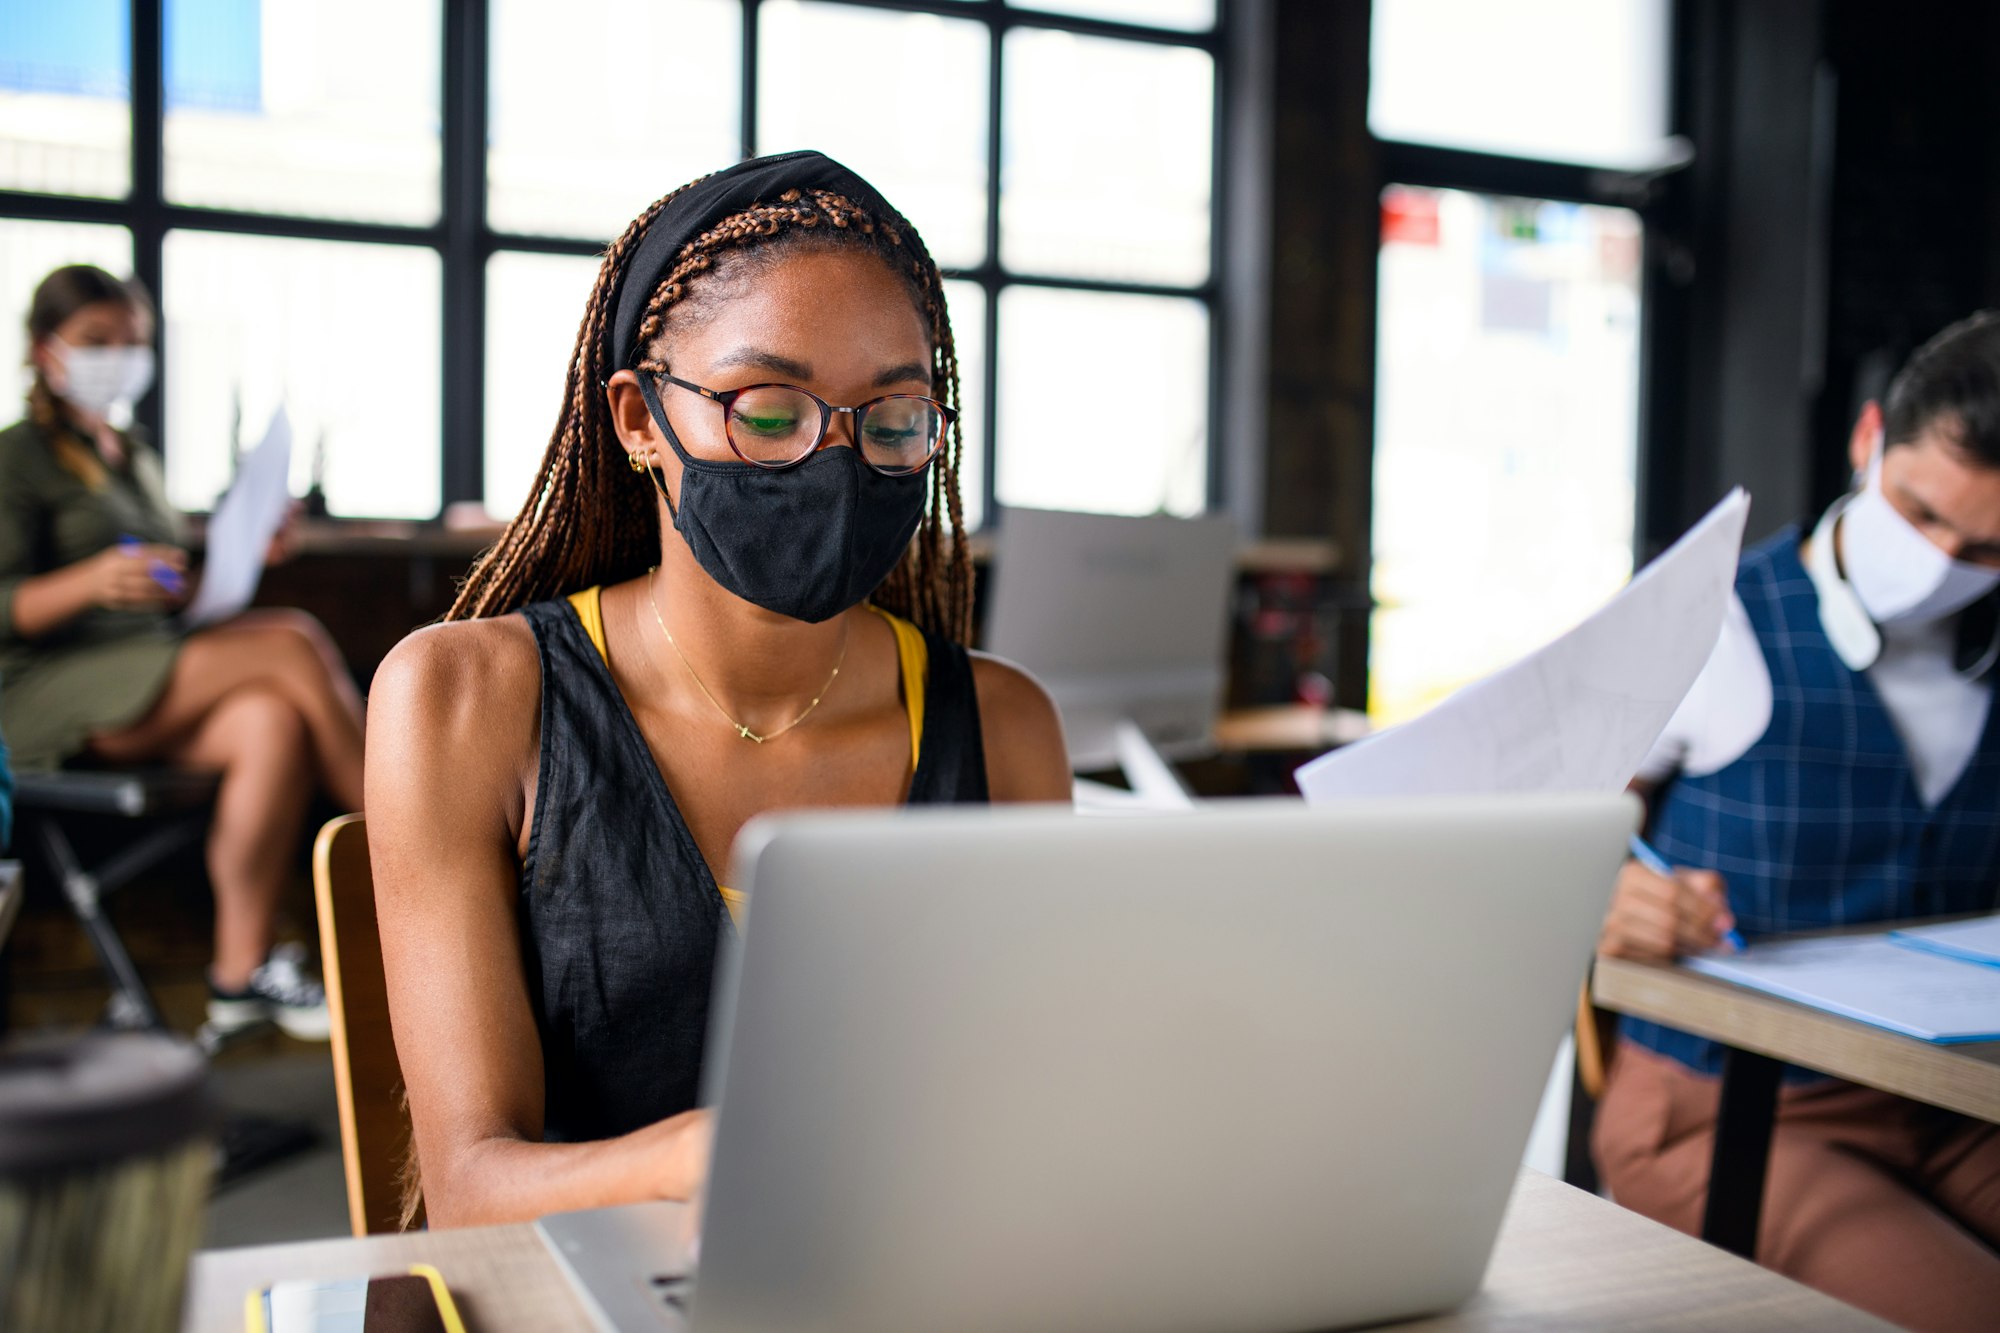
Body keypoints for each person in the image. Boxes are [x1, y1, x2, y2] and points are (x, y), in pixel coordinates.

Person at [366, 152, 1071, 1228]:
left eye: (889, 421)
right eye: (768, 409)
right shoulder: (464, 699)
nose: (831, 460)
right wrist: (715, 1154)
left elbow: (1037, 1109)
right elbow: (470, 1187)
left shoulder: (1001, 724)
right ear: (640, 419)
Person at [1594, 312, 2000, 1332]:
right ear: (1865, 441)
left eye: (1987, 545)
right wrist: (1602, 895)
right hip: (1721, 1108)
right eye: (1918, 513)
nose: (1945, 559)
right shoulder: (1710, 617)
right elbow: (1526, 838)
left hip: (1950, 1103)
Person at [0, 264, 364, 1040]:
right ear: (42, 348)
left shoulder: (129, 452)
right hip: (46, 689)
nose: (119, 358)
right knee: (292, 642)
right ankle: (424, 840)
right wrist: (89, 580)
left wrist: (240, 554)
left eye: (132, 343)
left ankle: (239, 973)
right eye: (97, 341)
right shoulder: (17, 456)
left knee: (271, 719)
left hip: (145, 662)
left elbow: (163, 580)